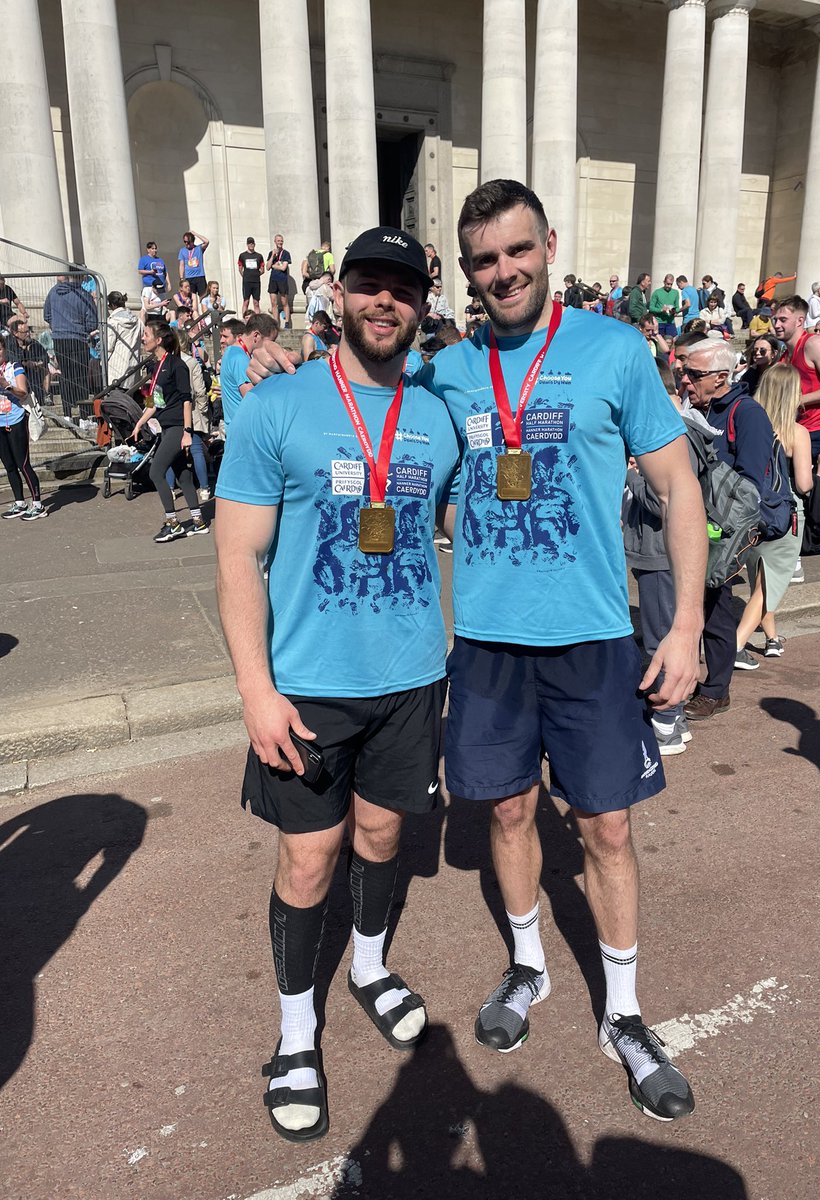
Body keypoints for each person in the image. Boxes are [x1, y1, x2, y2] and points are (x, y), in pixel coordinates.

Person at [246, 182, 706, 1124]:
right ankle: (528, 969)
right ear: (464, 277)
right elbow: (372, 420)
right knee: (505, 816)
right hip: (486, 647)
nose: (504, 273)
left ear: (549, 247)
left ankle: (624, 1012)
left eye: (518, 252)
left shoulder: (615, 350)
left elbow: (679, 482)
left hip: (594, 639)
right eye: (485, 262)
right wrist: (280, 370)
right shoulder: (447, 375)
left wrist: (689, 625)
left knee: (608, 829)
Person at [214, 227, 458, 1143]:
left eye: (402, 287)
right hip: (307, 687)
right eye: (368, 283)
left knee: (385, 833)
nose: (383, 300)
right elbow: (238, 558)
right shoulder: (276, 406)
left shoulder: (436, 414)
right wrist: (255, 690)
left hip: (410, 679)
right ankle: (292, 1032)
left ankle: (366, 965)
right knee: (310, 857)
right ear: (338, 297)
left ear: (423, 306)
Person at [681, 339, 783, 720]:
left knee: (716, 610)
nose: (686, 380)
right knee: (692, 607)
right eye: (684, 372)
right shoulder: (694, 408)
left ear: (722, 377)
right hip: (691, 523)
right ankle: (688, 678)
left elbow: (750, 484)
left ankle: (716, 689)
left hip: (721, 532)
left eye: (694, 374)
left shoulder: (747, 413)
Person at [623, 356, 707, 755]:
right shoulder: (676, 428)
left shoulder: (672, 433)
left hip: (658, 555)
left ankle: (668, 722)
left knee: (661, 640)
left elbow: (665, 504)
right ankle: (677, 716)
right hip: (656, 553)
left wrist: (632, 474)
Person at [733, 364, 812, 664]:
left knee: (761, 580)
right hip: (784, 514)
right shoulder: (797, 432)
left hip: (751, 509)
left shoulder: (750, 424)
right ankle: (736, 646)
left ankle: (771, 637)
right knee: (770, 585)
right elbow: (804, 484)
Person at [130, 321, 206, 542]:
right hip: (166, 426)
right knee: (183, 475)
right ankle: (198, 521)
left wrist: (187, 432)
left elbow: (186, 400)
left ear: (159, 339)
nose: (143, 338)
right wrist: (139, 422)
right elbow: (153, 402)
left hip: (177, 427)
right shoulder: (156, 367)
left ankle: (173, 523)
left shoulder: (176, 364)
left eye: (146, 334)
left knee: (156, 472)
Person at [772, 296, 820, 473]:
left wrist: (799, 400)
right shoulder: (785, 353)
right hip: (790, 428)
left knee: (795, 483)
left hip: (812, 430)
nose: (776, 325)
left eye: (783, 320)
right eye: (775, 319)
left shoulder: (814, 344)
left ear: (800, 321)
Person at [0, 339, 46, 520]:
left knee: (23, 463)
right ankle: (20, 502)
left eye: (0, 349)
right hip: (0, 423)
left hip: (17, 419)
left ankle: (38, 505)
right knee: (9, 465)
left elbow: (23, 392)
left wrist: (6, 385)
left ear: (5, 350)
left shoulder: (14, 367)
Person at [165, 328, 212, 503]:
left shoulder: (166, 362)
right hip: (191, 410)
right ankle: (205, 488)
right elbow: (200, 391)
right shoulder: (191, 362)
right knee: (197, 450)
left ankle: (170, 488)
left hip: (171, 412)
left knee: (171, 453)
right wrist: (203, 410)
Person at [43, 273, 97, 420]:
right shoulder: (83, 295)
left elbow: (46, 314)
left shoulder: (53, 292)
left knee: (65, 375)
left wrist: (57, 326)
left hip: (60, 338)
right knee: (80, 375)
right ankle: (83, 415)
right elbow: (92, 321)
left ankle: (67, 412)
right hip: (78, 338)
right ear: (80, 278)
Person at [220, 312, 279, 430]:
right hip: (243, 429)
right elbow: (251, 397)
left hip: (236, 426)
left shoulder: (231, 351)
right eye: (270, 341)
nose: (271, 346)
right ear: (256, 336)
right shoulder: (240, 358)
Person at [6, 318, 51, 402]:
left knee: (45, 368)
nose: (29, 334)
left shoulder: (33, 343)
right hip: (16, 373)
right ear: (16, 333)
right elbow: (11, 358)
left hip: (33, 372)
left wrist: (38, 363)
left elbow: (45, 357)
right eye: (25, 332)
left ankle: (46, 394)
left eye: (29, 331)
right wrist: (25, 363)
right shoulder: (9, 343)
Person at [106, 291, 142, 387]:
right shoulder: (137, 320)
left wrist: (103, 362)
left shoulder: (113, 322)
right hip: (133, 366)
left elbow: (109, 346)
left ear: (112, 304)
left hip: (116, 368)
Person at [267, 234, 292, 328]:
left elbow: (283, 268)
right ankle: (276, 323)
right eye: (278, 241)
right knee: (273, 302)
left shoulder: (286, 253)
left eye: (281, 241)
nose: (280, 242)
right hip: (273, 280)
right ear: (275, 242)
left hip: (282, 280)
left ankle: (287, 322)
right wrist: (272, 257)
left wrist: (275, 266)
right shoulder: (271, 253)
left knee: (284, 302)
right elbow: (268, 267)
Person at [238, 238, 265, 318]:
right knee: (246, 301)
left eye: (252, 243)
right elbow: (240, 268)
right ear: (247, 244)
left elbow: (262, 269)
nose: (251, 245)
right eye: (249, 243)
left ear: (254, 244)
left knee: (256, 302)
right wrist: (245, 275)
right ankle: (244, 319)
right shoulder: (242, 255)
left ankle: (257, 320)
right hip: (247, 281)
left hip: (256, 282)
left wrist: (256, 274)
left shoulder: (259, 256)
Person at [178, 230, 210, 296]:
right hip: (189, 277)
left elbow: (206, 241)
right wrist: (181, 278)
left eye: (188, 242)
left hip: (200, 276)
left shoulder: (199, 248)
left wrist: (195, 234)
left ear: (192, 241)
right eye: (185, 242)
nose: (186, 243)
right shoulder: (182, 251)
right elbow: (181, 265)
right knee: (191, 298)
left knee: (204, 296)